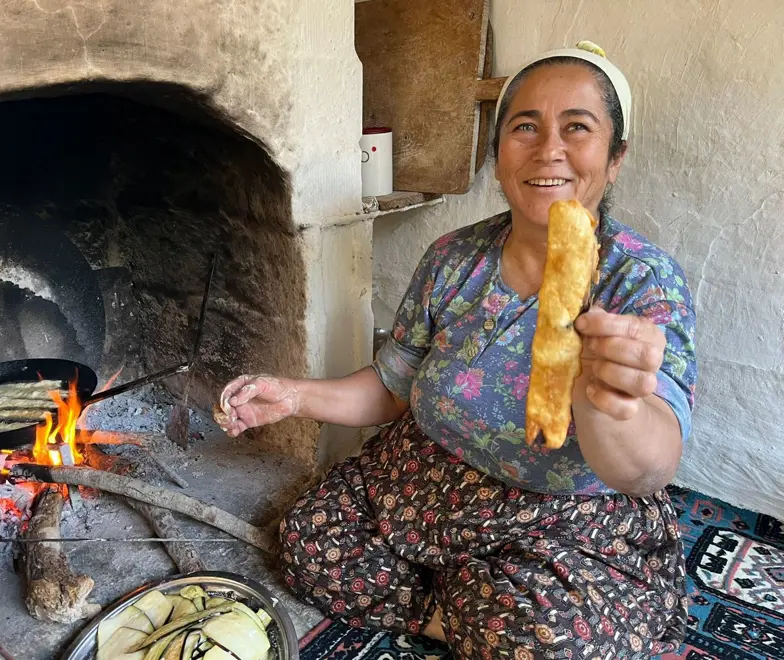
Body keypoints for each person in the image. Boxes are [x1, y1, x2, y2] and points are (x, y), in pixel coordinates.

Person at [215, 41, 697, 659]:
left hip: (561, 519)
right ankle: (465, 612)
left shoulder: (640, 282)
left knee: (545, 641)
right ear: (498, 157)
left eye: (577, 128)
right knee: (309, 538)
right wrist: (293, 394)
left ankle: (477, 611)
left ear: (615, 156)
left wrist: (605, 400)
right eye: (525, 127)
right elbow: (392, 390)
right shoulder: (452, 258)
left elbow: (648, 471)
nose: (549, 149)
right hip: (424, 482)